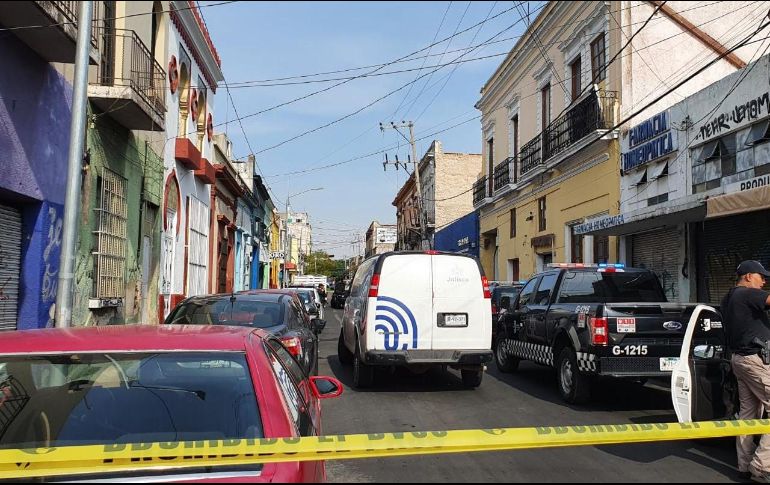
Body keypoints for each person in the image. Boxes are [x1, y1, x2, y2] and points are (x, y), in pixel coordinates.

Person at [723, 260, 770, 482]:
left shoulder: (730, 297)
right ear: (749, 276)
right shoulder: (746, 294)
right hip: (754, 360)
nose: (764, 282)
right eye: (762, 277)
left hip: (740, 359)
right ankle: (761, 467)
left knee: (749, 413)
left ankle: (744, 464)